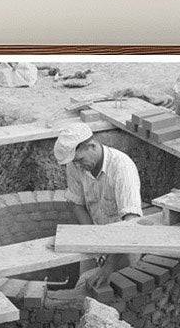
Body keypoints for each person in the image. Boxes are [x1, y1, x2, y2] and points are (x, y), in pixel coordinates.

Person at [53, 122, 142, 292]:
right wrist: (95, 245)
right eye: (74, 162)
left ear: (92, 146)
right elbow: (77, 204)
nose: (77, 166)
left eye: (80, 160)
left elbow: (131, 225)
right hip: (95, 239)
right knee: (84, 286)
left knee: (116, 293)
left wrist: (108, 266)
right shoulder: (74, 164)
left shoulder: (122, 167)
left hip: (123, 246)